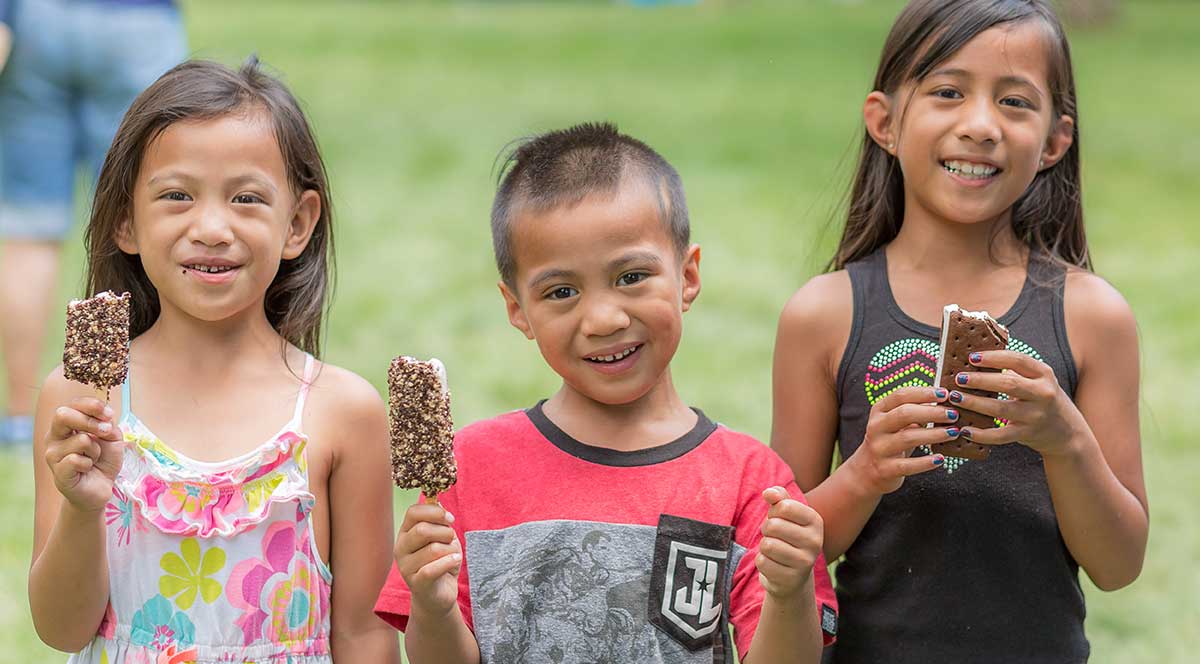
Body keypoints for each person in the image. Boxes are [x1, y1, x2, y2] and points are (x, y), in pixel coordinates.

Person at [376, 122, 839, 664]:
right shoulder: (471, 468)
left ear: (687, 276)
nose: (603, 318)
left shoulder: (749, 480)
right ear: (516, 309)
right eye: (562, 291)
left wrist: (788, 593)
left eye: (631, 276)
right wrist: (432, 605)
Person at [769, 1, 1147, 662]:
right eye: (948, 92)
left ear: (1055, 140)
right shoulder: (823, 315)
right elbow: (788, 547)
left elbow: (1119, 564)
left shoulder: (1092, 316)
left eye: (1014, 103)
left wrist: (1064, 439)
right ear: (885, 121)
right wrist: (864, 473)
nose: (979, 126)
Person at [29, 59, 399, 663]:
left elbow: (365, 632)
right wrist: (82, 506)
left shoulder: (343, 411)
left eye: (247, 199)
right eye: (177, 195)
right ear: (126, 219)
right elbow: (61, 629)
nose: (211, 227)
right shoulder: (82, 399)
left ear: (298, 224)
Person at [0, 0, 186, 446]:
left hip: (36, 23)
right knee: (144, 218)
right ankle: (140, 406)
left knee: (28, 232)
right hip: (139, 25)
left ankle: (22, 418)